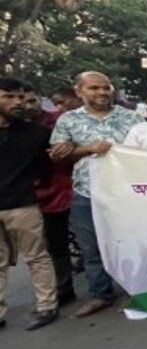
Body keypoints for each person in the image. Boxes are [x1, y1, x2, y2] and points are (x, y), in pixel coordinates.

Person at [50, 71, 144, 317]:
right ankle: (101, 294)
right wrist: (87, 149)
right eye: (94, 88)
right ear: (79, 91)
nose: (102, 92)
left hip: (126, 193)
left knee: (131, 242)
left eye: (106, 88)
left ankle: (139, 289)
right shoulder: (68, 120)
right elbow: (59, 154)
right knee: (91, 248)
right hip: (86, 192)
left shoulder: (132, 117)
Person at [0, 78, 60, 330]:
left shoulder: (36, 133)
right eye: (9, 97)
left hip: (23, 205)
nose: (17, 102)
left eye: (20, 97)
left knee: (37, 257)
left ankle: (47, 306)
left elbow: (48, 165)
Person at [24, 84, 75, 304]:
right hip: (26, 197)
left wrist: (70, 146)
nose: (24, 105)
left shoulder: (59, 123)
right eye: (17, 99)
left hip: (61, 191)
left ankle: (64, 290)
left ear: (39, 99)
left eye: (30, 100)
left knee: (61, 245)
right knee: (45, 248)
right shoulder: (12, 129)